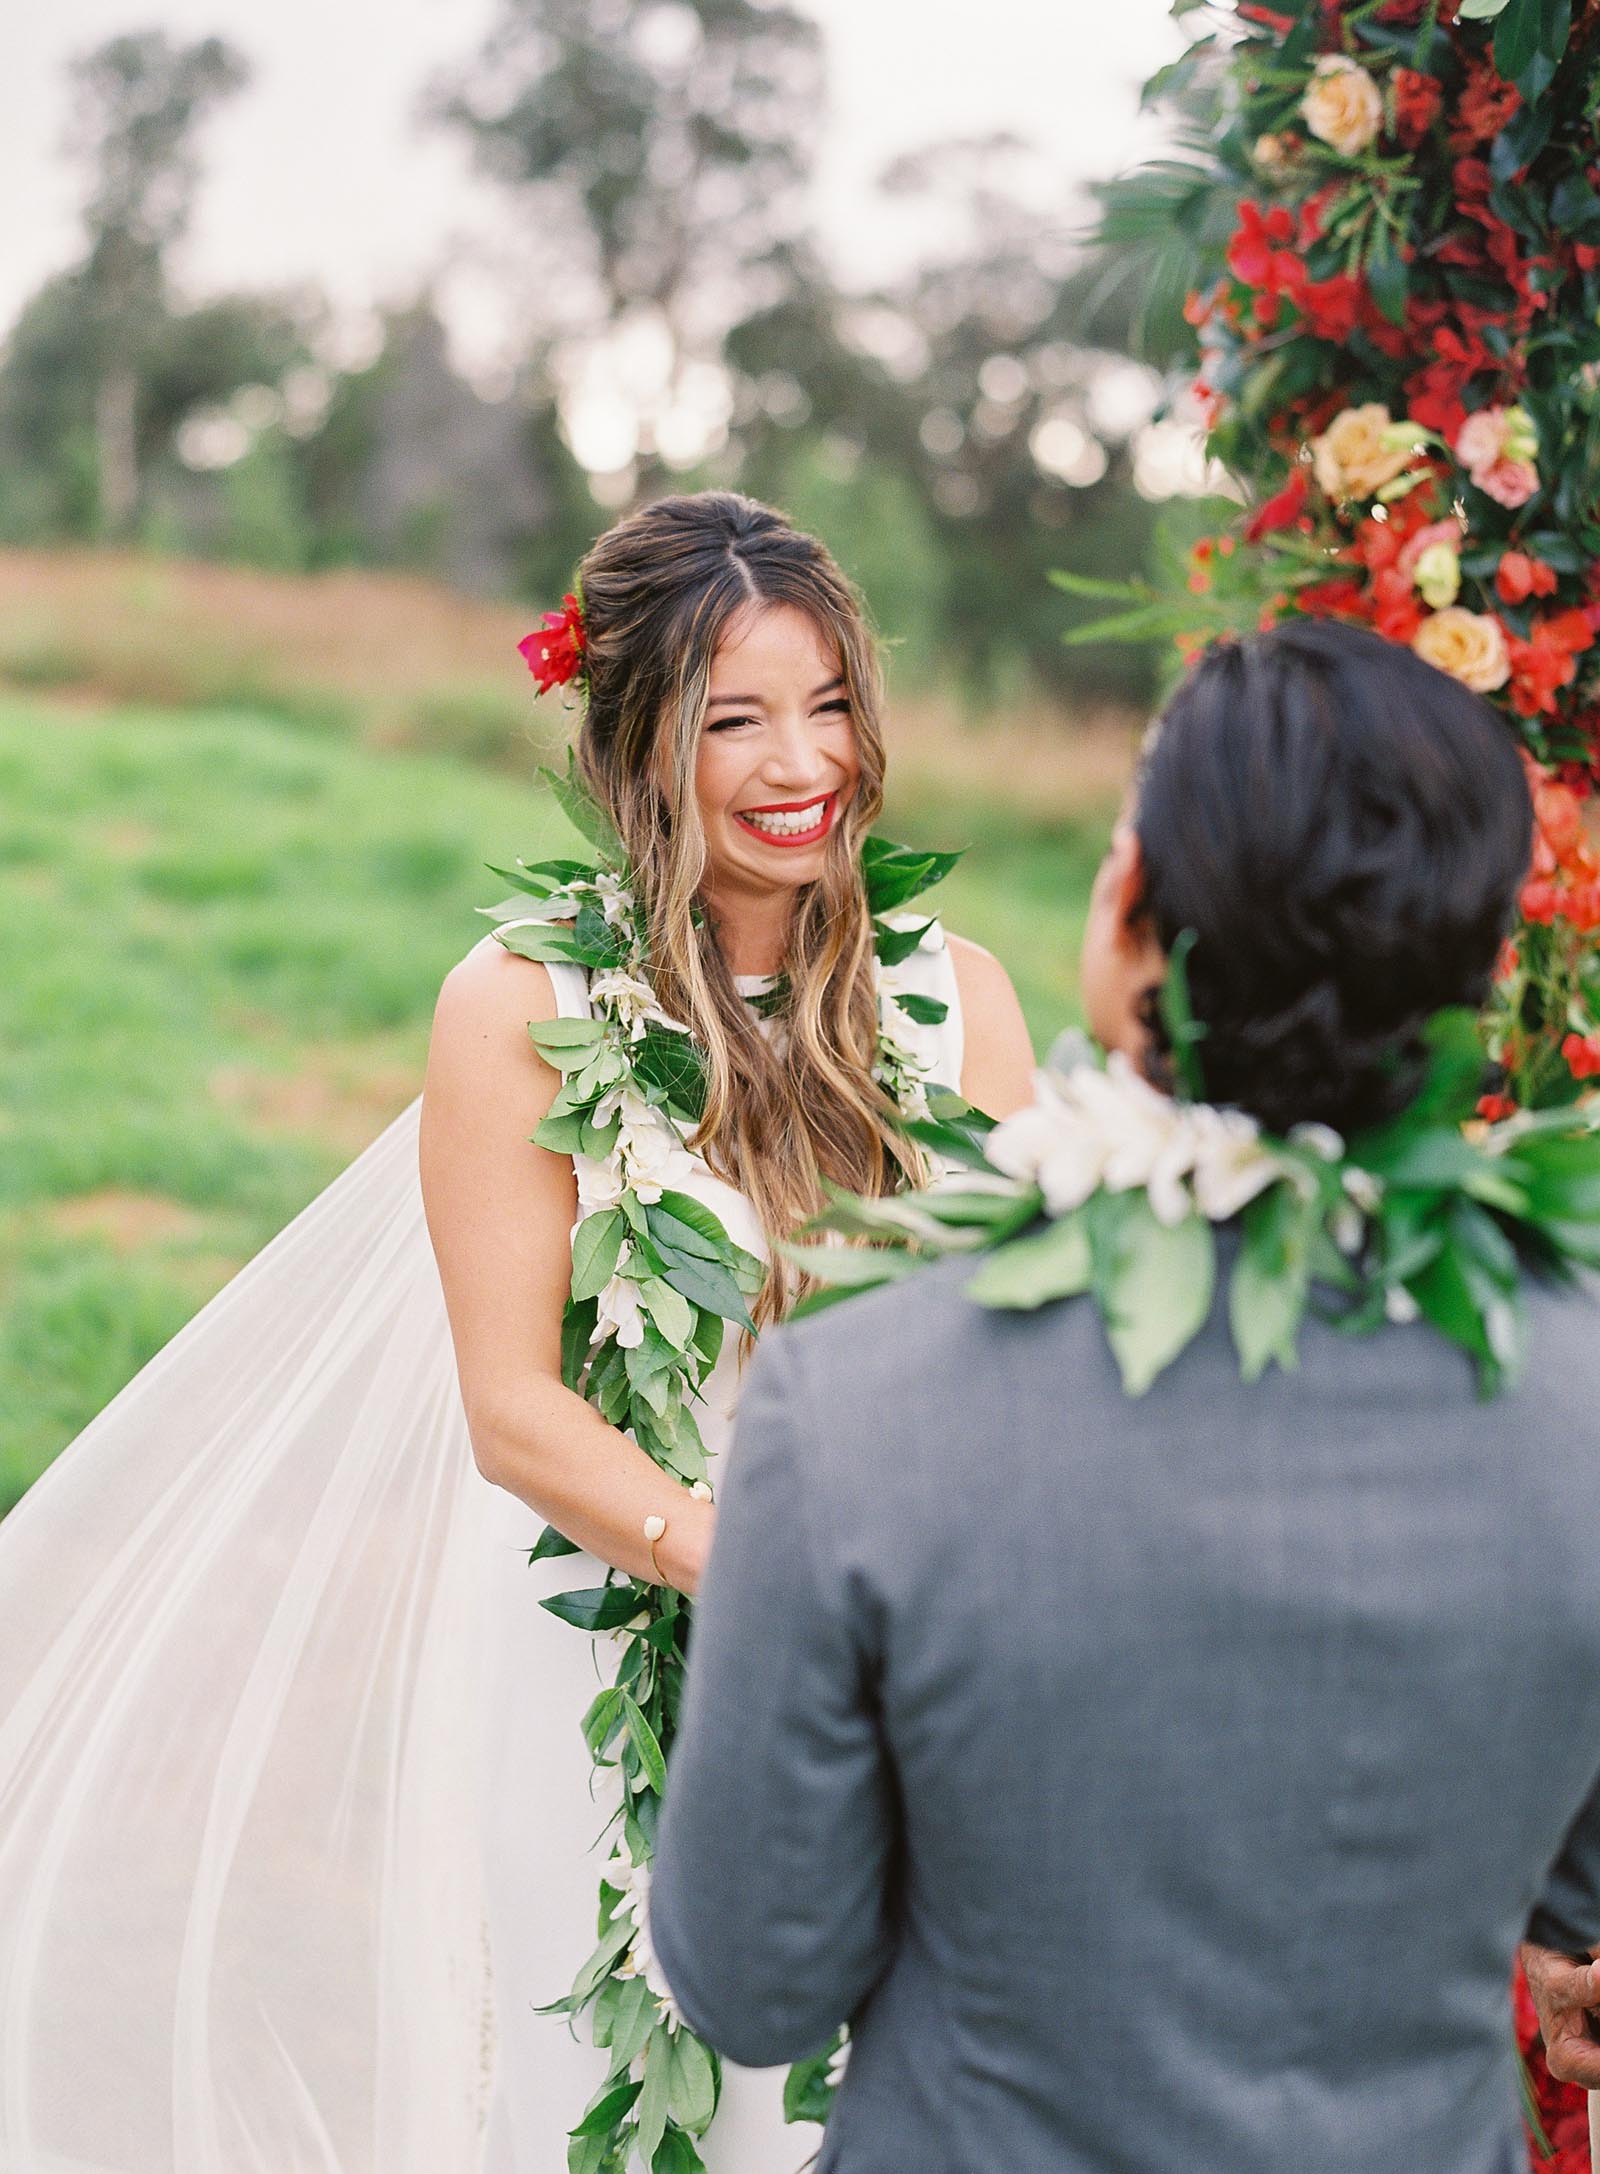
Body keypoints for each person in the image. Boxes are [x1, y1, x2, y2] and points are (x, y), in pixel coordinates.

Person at [0, 489, 1033, 2174]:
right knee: (632, 2099)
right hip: (610, 1639)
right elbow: (513, 1410)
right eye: (739, 718)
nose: (805, 762)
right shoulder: (519, 1008)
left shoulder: (956, 995)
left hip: (911, 1654)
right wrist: (767, 1574)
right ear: (640, 739)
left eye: (833, 703)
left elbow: (1022, 1365)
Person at [651, 619, 1600, 2173]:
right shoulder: (1578, 1394)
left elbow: (752, 1974)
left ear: (1135, 918)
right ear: (1471, 967)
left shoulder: (864, 1402)